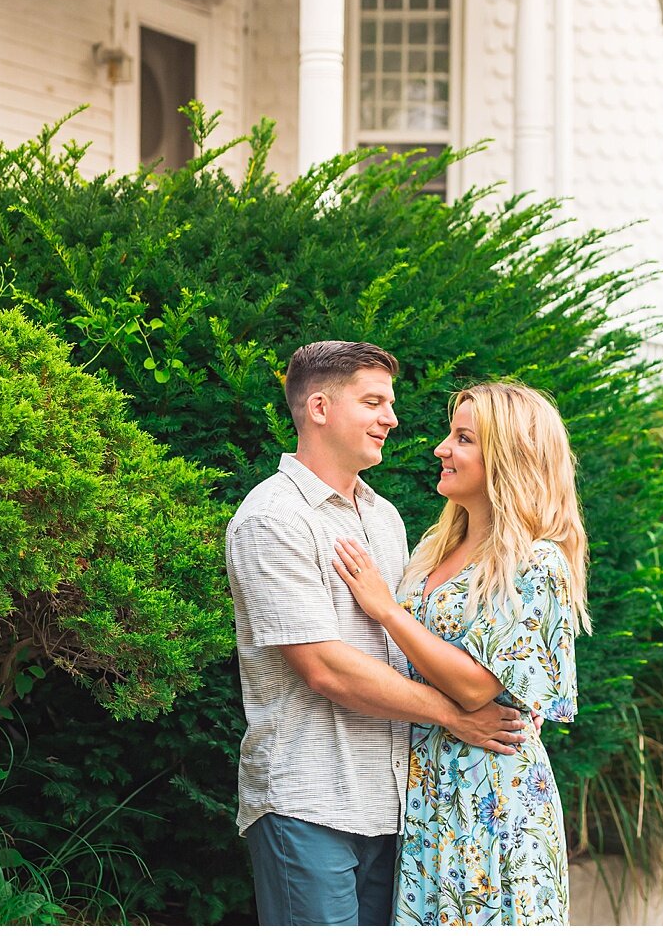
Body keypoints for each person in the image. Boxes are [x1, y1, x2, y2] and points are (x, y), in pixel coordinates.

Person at [226, 342, 535, 926]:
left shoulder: (384, 517)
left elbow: (413, 645)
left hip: (396, 810)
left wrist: (506, 690)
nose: (391, 418)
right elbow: (324, 666)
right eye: (374, 402)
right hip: (310, 802)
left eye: (388, 404)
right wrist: (454, 713)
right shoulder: (273, 518)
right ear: (319, 408)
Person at [332, 382, 590, 926]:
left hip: (493, 797)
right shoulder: (434, 549)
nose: (441, 449)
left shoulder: (538, 563)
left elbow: (478, 686)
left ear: (508, 458)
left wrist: (388, 611)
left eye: (463, 438)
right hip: (427, 788)